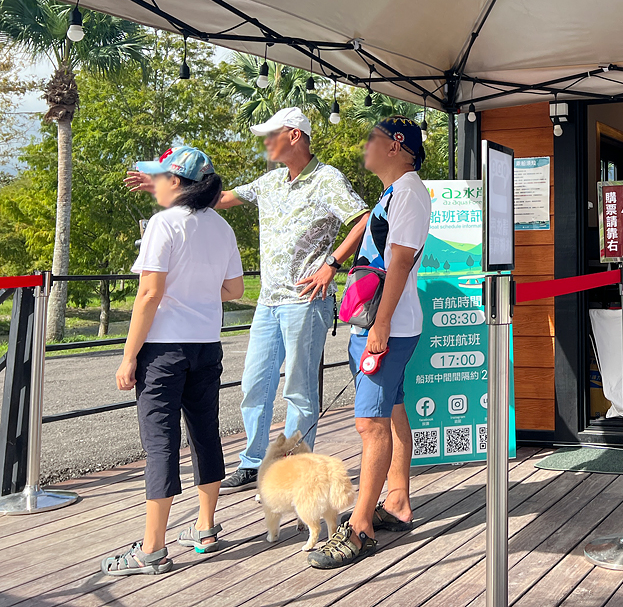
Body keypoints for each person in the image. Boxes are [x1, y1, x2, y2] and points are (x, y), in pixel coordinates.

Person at [125, 107, 369, 492]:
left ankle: (296, 470)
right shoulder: (270, 181)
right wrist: (162, 186)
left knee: (299, 391)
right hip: (268, 303)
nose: (266, 142)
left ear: (294, 135)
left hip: (306, 300)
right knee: (254, 384)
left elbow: (364, 218)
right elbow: (216, 198)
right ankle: (254, 462)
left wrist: (332, 264)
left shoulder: (327, 179)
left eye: (271, 135)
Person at [103, 146, 244, 576]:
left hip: (163, 350)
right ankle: (205, 528)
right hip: (207, 345)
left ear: (177, 182)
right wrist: (197, 290)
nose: (154, 185)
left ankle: (152, 549)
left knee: (161, 444)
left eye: (160, 178)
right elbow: (234, 290)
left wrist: (128, 357)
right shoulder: (221, 226)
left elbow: (149, 294)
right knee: (205, 434)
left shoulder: (164, 224)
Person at [309, 116, 431, 569]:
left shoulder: (409, 193)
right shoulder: (394, 192)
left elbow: (399, 263)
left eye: (372, 139)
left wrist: (380, 326)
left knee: (369, 425)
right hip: (381, 323)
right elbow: (378, 241)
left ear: (396, 145)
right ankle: (396, 501)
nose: (365, 147)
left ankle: (360, 528)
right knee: (392, 411)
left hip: (388, 326)